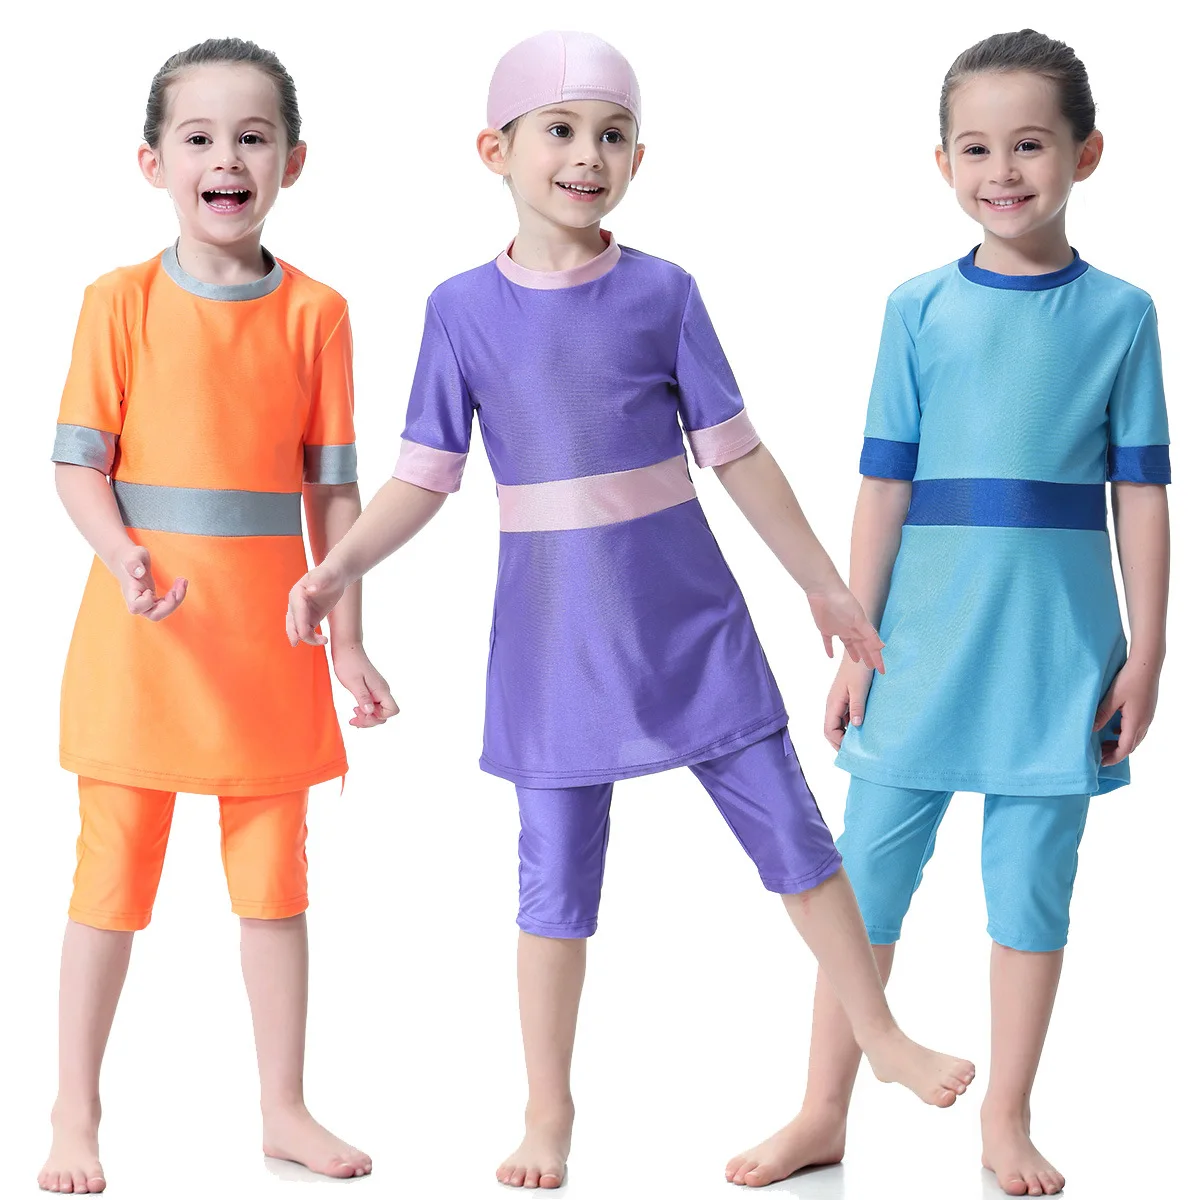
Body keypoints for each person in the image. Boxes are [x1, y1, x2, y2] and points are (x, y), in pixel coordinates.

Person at [286, 30, 975, 1191]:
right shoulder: (460, 310)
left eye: (612, 136)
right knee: (553, 883)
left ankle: (882, 1034)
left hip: (689, 625)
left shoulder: (664, 293)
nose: (587, 155)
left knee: (795, 834)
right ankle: (547, 1112)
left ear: (639, 159)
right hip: (553, 645)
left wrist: (823, 582)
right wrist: (341, 565)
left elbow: (738, 454)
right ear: (494, 150)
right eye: (559, 131)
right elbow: (424, 477)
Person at [725, 29, 1171, 1196]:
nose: (1002, 171)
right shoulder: (916, 308)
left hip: (1057, 656)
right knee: (865, 880)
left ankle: (1005, 1122)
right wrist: (855, 639)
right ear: (942, 163)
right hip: (918, 649)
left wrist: (1149, 653)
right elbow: (885, 484)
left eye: (1030, 145)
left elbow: (1141, 494)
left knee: (1031, 887)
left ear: (1086, 153)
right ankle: (822, 1111)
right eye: (975, 148)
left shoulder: (1122, 316)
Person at [40, 38, 392, 1194]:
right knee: (108, 884)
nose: (226, 158)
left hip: (268, 648)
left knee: (275, 885)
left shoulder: (318, 314)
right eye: (199, 137)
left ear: (293, 160)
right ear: (153, 162)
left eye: (252, 137)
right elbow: (78, 465)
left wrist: (347, 638)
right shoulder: (119, 302)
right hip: (141, 645)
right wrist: (123, 556)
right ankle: (74, 1112)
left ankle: (283, 1109)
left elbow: (332, 491)